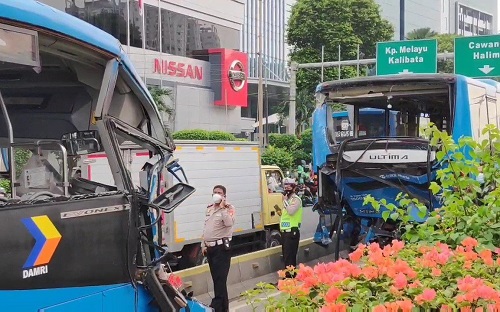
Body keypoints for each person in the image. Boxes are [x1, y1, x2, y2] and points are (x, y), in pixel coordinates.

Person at [201, 185, 235, 312]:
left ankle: (219, 307)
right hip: (210, 249)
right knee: (216, 280)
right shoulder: (209, 209)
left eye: (219, 193)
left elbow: (229, 223)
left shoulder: (229, 208)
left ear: (224, 195)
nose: (216, 194)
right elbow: (206, 227)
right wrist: (203, 244)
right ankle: (223, 308)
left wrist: (223, 208)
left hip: (222, 249)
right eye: (215, 192)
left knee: (220, 280)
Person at [279, 181, 303, 277]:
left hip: (292, 232)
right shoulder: (288, 201)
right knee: (286, 257)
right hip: (285, 232)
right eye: (285, 187)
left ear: (293, 188)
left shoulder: (296, 200)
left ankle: (290, 278)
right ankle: (289, 277)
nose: (286, 189)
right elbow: (285, 216)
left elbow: (291, 212)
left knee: (290, 257)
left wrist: (284, 201)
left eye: (289, 187)